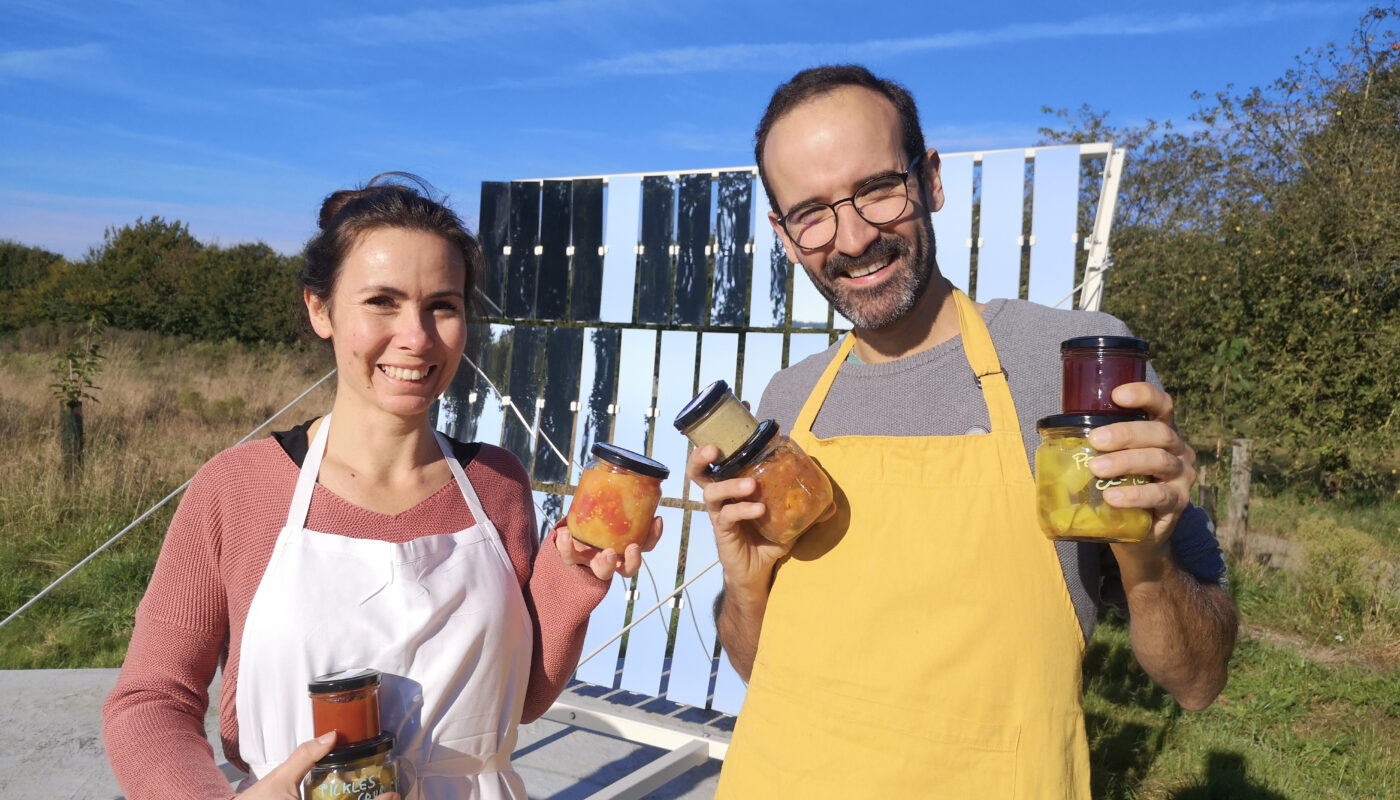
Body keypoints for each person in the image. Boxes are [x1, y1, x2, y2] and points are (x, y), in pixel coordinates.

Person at [685, 66, 1238, 798]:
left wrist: (1149, 554)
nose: (852, 238)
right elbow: (763, 667)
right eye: (811, 213)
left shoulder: (1072, 366)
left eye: (879, 188)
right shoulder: (789, 400)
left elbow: (1197, 679)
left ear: (932, 179)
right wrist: (745, 586)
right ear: (785, 237)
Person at [103, 174, 659, 800]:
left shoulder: (498, 483)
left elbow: (520, 699)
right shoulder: (239, 489)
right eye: (381, 302)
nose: (416, 337)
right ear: (322, 310)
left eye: (442, 306)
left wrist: (572, 574)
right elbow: (150, 700)